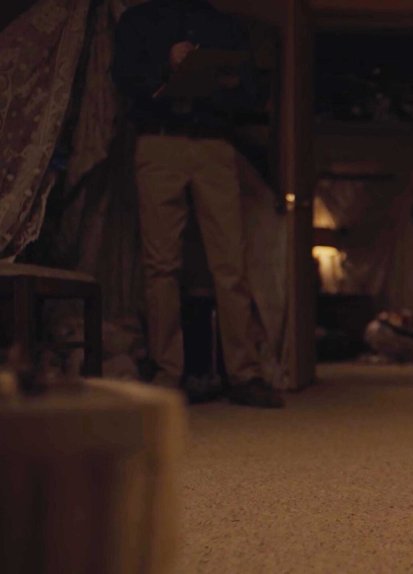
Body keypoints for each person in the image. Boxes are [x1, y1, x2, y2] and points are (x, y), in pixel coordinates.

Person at [112, 0, 281, 408]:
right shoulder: (139, 20)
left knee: (230, 264)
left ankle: (243, 372)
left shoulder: (224, 26)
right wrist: (166, 64)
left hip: (214, 144)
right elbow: (124, 78)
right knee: (160, 265)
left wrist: (223, 81)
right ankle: (168, 372)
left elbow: (252, 91)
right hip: (158, 139)